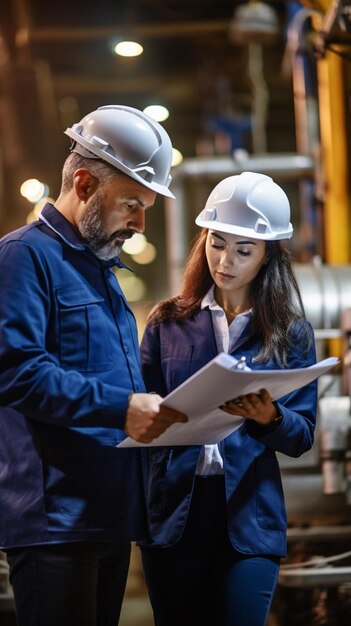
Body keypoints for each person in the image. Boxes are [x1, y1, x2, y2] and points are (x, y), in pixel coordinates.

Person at [0, 104, 187, 626]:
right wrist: (122, 407)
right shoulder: (23, 257)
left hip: (108, 513)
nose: (139, 222)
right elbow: (17, 371)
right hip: (54, 518)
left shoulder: (101, 271)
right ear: (83, 184)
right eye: (132, 203)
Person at [139, 171, 318, 626]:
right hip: (176, 512)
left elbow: (302, 436)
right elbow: (139, 410)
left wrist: (271, 417)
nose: (226, 260)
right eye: (217, 243)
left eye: (243, 250)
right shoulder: (167, 323)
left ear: (266, 257)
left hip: (249, 514)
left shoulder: (288, 333)